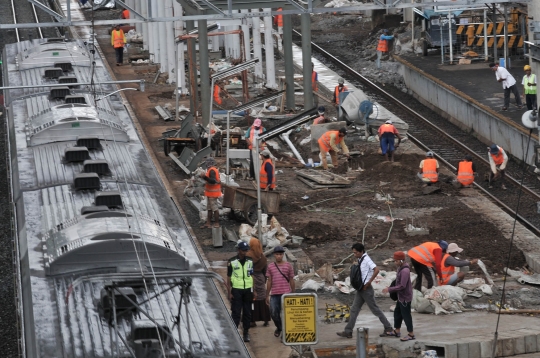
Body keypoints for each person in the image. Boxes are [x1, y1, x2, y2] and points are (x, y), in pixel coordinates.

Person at [337, 243, 393, 338]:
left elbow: (376, 270)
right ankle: (348, 331)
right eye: (353, 253)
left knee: (375, 309)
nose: (354, 255)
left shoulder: (366, 259)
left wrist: (369, 282)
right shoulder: (360, 259)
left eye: (355, 253)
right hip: (361, 289)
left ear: (361, 251)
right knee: (354, 309)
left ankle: (388, 328)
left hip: (366, 289)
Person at [382, 251, 414, 341]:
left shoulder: (405, 271)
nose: (395, 262)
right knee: (397, 313)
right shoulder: (400, 268)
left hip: (405, 297)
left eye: (396, 261)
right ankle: (397, 330)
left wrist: (390, 289)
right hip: (401, 297)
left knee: (406, 315)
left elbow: (402, 286)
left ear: (401, 260)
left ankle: (411, 334)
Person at [227, 241, 254, 342]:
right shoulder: (232, 261)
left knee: (247, 312)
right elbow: (228, 277)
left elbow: (252, 275)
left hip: (247, 290)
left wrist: (253, 290)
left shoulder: (250, 261)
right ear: (239, 250)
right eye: (243, 250)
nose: (245, 252)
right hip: (237, 290)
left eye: (246, 250)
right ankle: (234, 333)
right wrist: (229, 292)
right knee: (236, 312)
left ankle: (246, 333)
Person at [266, 246, 295, 338]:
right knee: (274, 313)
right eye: (277, 254)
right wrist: (267, 295)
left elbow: (291, 279)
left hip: (286, 294)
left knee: (287, 315)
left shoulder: (288, 265)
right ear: (274, 255)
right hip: (274, 294)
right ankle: (279, 328)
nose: (279, 256)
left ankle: (285, 332)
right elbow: (269, 281)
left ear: (283, 255)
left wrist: (293, 293)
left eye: (280, 254)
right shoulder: (270, 266)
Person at [246, 238, 270, 327]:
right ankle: (265, 318)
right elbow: (265, 271)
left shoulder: (248, 255)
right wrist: (264, 279)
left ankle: (252, 320)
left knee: (252, 299)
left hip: (250, 278)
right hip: (260, 278)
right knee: (262, 298)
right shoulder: (262, 257)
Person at [199, 157, 221, 228]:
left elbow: (212, 180)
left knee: (214, 208)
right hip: (210, 194)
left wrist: (204, 177)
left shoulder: (212, 170)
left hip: (213, 194)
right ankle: (208, 223)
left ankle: (216, 223)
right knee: (209, 208)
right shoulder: (210, 170)